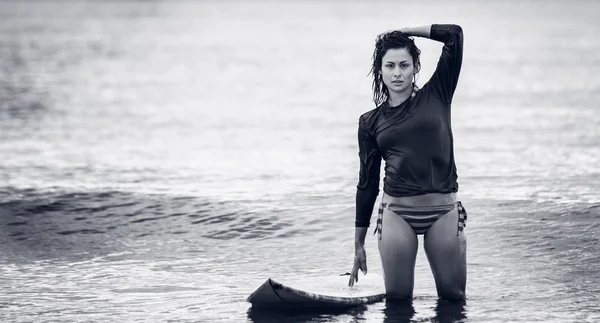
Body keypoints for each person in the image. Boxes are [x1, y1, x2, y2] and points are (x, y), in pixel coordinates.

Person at [348, 24, 468, 301]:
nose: (397, 72)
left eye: (404, 64)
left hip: (444, 211)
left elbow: (454, 35)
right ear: (380, 70)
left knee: (453, 298)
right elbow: (367, 183)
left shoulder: (438, 93)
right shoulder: (370, 122)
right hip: (396, 214)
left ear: (415, 67)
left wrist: (406, 31)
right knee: (398, 301)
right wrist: (358, 243)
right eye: (389, 66)